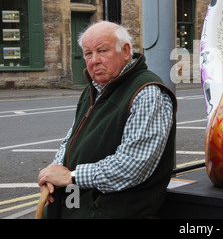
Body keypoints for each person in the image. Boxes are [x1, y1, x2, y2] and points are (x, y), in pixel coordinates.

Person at [37, 21, 176, 218]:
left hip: (113, 211)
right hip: (79, 202)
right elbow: (71, 139)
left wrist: (71, 177)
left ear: (125, 51)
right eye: (88, 53)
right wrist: (53, 176)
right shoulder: (93, 88)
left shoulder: (147, 92)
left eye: (102, 51)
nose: (94, 60)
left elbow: (132, 166)